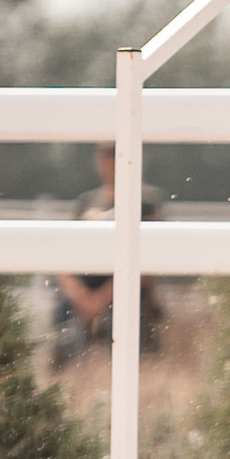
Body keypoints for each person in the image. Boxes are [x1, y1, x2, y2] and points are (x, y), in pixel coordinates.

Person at [52, 142, 165, 364]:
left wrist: (102, 297)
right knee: (65, 328)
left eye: (116, 156)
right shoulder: (85, 202)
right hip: (85, 286)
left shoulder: (147, 203)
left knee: (128, 324)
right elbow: (65, 252)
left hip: (128, 286)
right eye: (106, 156)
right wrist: (80, 295)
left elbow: (149, 261)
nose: (110, 163)